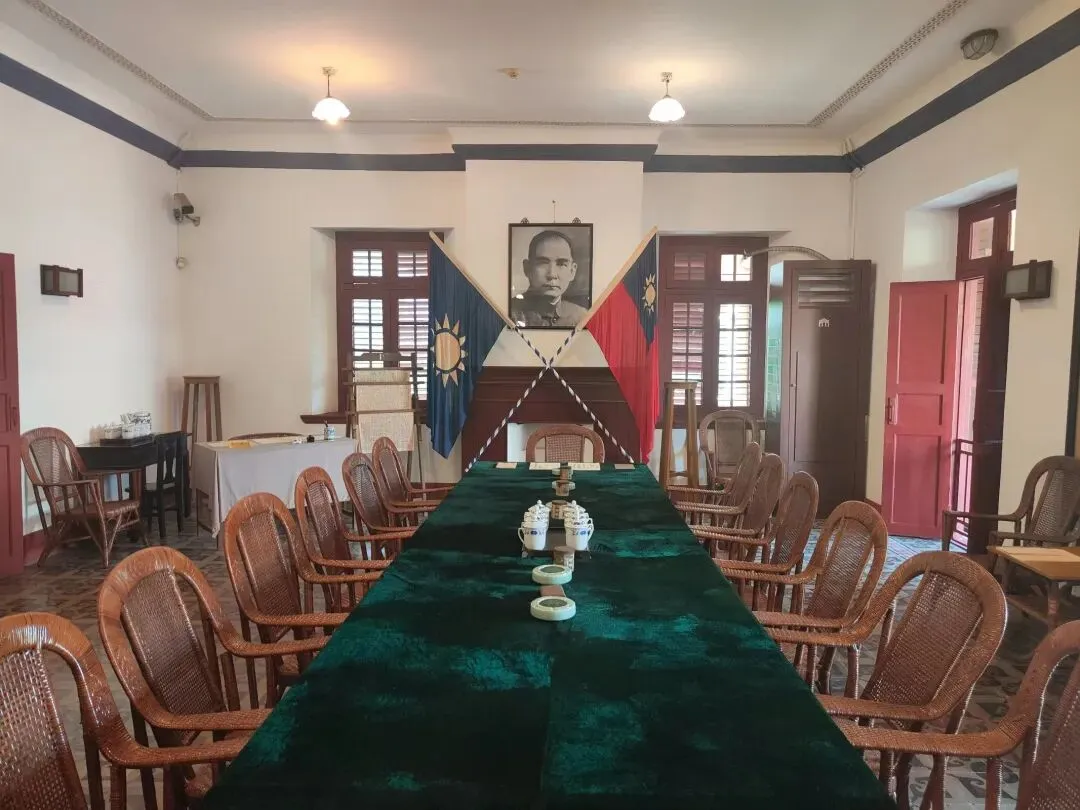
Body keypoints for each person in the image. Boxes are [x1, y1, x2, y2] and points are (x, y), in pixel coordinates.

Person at [510, 230, 588, 328]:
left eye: (561, 264)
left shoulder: (581, 317)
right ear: (527, 268)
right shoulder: (509, 313)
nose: (552, 274)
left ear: (572, 271)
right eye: (542, 263)